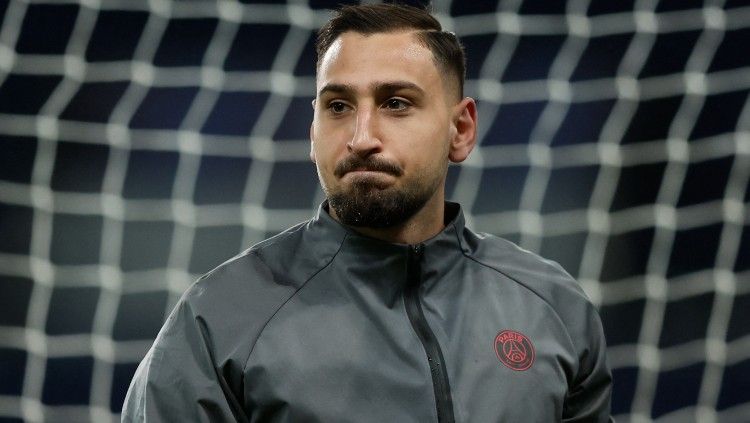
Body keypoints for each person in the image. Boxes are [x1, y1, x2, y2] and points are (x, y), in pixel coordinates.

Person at [122, 3, 613, 422]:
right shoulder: (216, 322)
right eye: (337, 106)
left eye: (396, 103)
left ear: (460, 129)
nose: (361, 138)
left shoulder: (554, 310)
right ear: (313, 132)